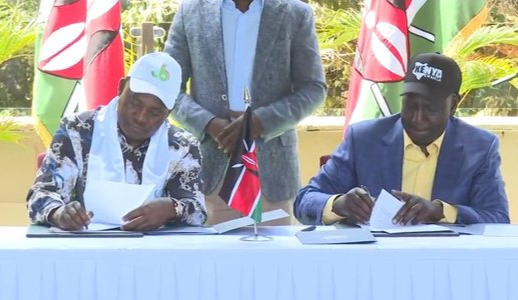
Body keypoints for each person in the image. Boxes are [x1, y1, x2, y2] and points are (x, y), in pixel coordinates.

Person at [294, 52, 510, 226]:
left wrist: (440, 211)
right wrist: (338, 204)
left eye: (429, 109)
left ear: (453, 104)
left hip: (444, 264)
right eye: (410, 105)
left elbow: (497, 219)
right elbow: (304, 201)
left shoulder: (479, 147)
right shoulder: (364, 139)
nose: (418, 118)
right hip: (374, 263)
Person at [164, 0, 327, 225]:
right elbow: (169, 88)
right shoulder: (191, 11)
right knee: (211, 259)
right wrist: (209, 123)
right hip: (211, 171)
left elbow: (313, 88)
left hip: (271, 172)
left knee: (273, 259)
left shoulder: (295, 13)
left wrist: (261, 121)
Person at [27, 52, 207, 231]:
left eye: (154, 112)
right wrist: (59, 213)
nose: (141, 117)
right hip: (84, 247)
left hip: (153, 251)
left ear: (169, 111)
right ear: (121, 88)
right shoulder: (77, 130)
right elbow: (40, 195)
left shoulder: (183, 146)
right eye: (135, 104)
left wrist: (171, 209)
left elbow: (197, 210)